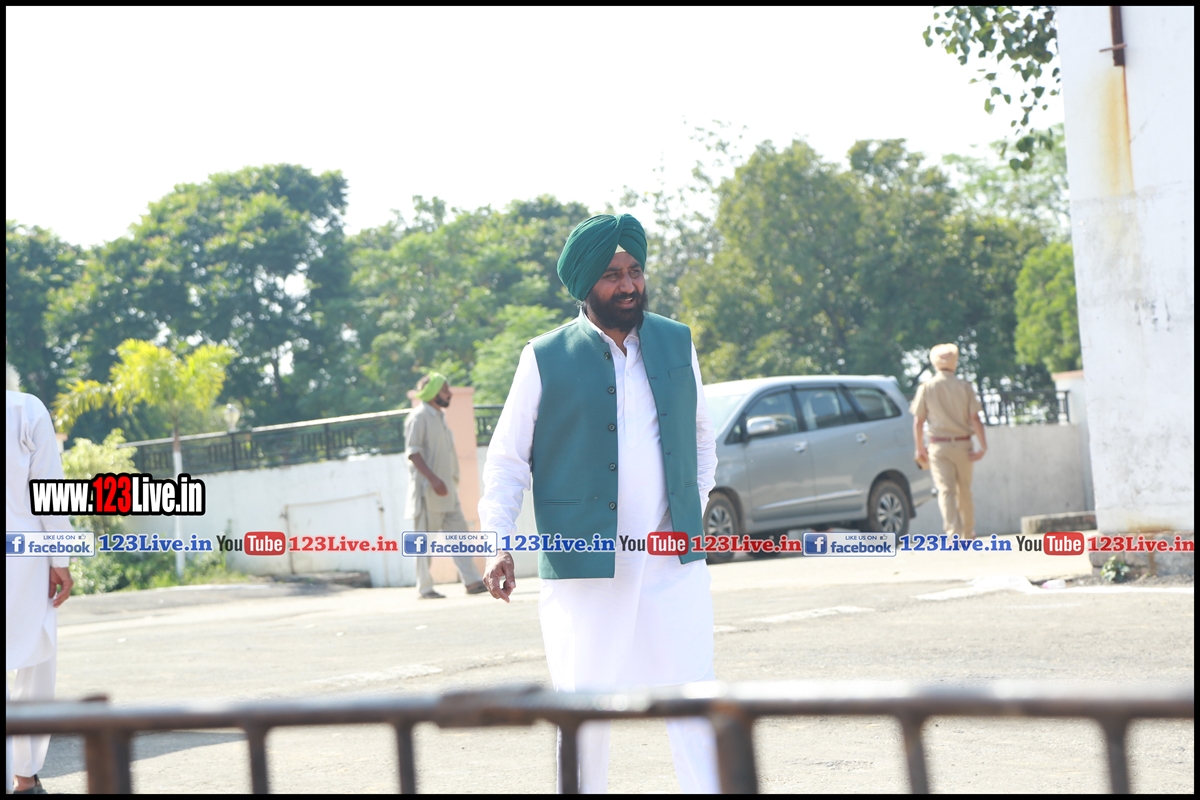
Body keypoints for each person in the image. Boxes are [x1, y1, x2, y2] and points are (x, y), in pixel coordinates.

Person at [478, 214, 719, 793]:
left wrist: (688, 511)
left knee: (694, 699)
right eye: (613, 275)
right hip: (584, 565)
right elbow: (507, 460)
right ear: (586, 284)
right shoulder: (545, 357)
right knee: (584, 708)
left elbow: (702, 439)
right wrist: (497, 543)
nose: (629, 284)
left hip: (670, 559)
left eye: (635, 270)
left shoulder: (676, 341)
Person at [6, 365, 74, 795]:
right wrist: (60, 559)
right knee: (36, 658)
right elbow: (48, 490)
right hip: (23, 558)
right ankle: (25, 776)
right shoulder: (25, 410)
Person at [404, 373, 487, 598]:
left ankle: (472, 582)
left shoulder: (440, 416)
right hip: (428, 492)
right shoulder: (418, 417)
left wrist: (446, 482)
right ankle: (425, 588)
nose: (449, 394)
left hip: (448, 491)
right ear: (433, 393)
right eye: (445, 390)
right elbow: (413, 453)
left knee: (460, 537)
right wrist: (434, 480)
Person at [911, 343, 988, 538]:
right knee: (964, 491)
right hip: (963, 445)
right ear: (955, 361)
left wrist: (919, 448)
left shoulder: (926, 387)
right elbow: (975, 418)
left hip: (938, 446)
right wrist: (983, 446)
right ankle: (968, 532)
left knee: (946, 491)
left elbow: (918, 422)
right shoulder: (965, 387)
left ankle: (953, 534)